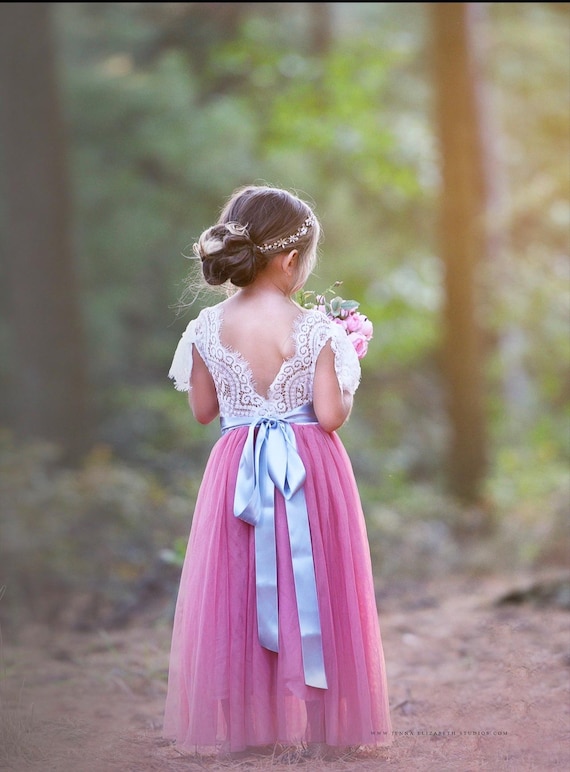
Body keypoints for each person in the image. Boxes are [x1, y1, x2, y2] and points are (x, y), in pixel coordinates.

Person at [163, 184, 392, 759]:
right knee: (316, 584)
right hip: (308, 470)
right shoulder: (316, 329)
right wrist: (347, 371)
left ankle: (249, 727)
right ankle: (327, 729)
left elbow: (203, 411)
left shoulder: (206, 327)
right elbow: (331, 416)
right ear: (290, 260)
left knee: (241, 586)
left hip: (237, 467)